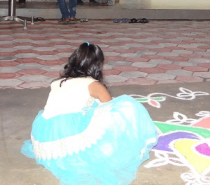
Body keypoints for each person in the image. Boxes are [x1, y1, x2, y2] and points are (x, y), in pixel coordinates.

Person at [21, 42, 158, 184]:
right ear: (97, 65)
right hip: (66, 136)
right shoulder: (94, 84)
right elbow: (110, 108)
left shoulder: (58, 82)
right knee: (126, 105)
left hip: (44, 141)